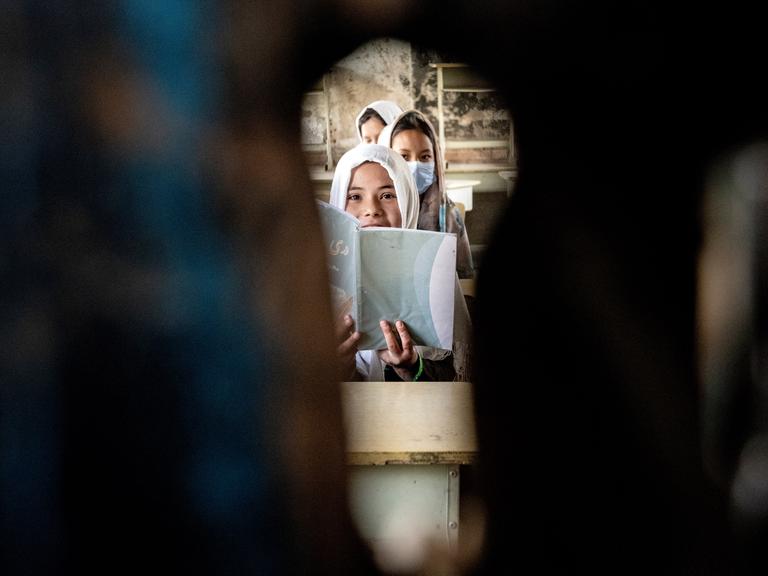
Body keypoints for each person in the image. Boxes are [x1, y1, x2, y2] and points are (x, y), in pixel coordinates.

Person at [328, 143, 472, 382]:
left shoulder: (434, 275)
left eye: (387, 195)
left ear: (408, 200)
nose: (371, 210)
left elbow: (456, 380)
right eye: (354, 196)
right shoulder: (319, 282)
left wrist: (410, 366)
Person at [378, 110, 475, 279]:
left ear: (435, 160)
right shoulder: (375, 210)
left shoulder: (448, 212)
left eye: (425, 157)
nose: (415, 165)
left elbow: (464, 278)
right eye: (404, 156)